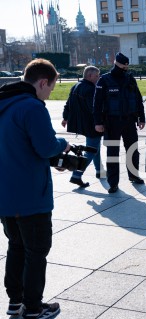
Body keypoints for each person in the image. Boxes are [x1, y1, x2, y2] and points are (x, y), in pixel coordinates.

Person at [0, 58, 66, 319]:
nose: (49, 95)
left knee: (15, 246)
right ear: (42, 82)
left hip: (5, 195)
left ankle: (15, 302)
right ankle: (34, 308)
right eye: (50, 89)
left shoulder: (4, 104)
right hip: (30, 196)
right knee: (37, 252)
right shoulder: (32, 107)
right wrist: (62, 145)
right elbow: (46, 146)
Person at [93, 52, 146, 193]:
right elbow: (97, 104)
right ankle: (113, 183)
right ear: (117, 64)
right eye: (124, 65)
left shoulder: (130, 79)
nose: (126, 68)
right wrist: (98, 122)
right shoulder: (104, 80)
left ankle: (134, 176)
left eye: (127, 66)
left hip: (129, 121)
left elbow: (138, 99)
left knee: (133, 151)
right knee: (112, 153)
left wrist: (142, 118)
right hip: (111, 122)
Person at [61, 66, 103, 187]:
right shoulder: (91, 89)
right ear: (89, 76)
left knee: (94, 148)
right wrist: (100, 122)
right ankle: (76, 175)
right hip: (91, 125)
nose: (99, 78)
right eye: (96, 76)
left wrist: (65, 117)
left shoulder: (75, 86)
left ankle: (99, 171)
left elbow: (68, 104)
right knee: (91, 150)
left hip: (81, 124)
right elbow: (94, 109)